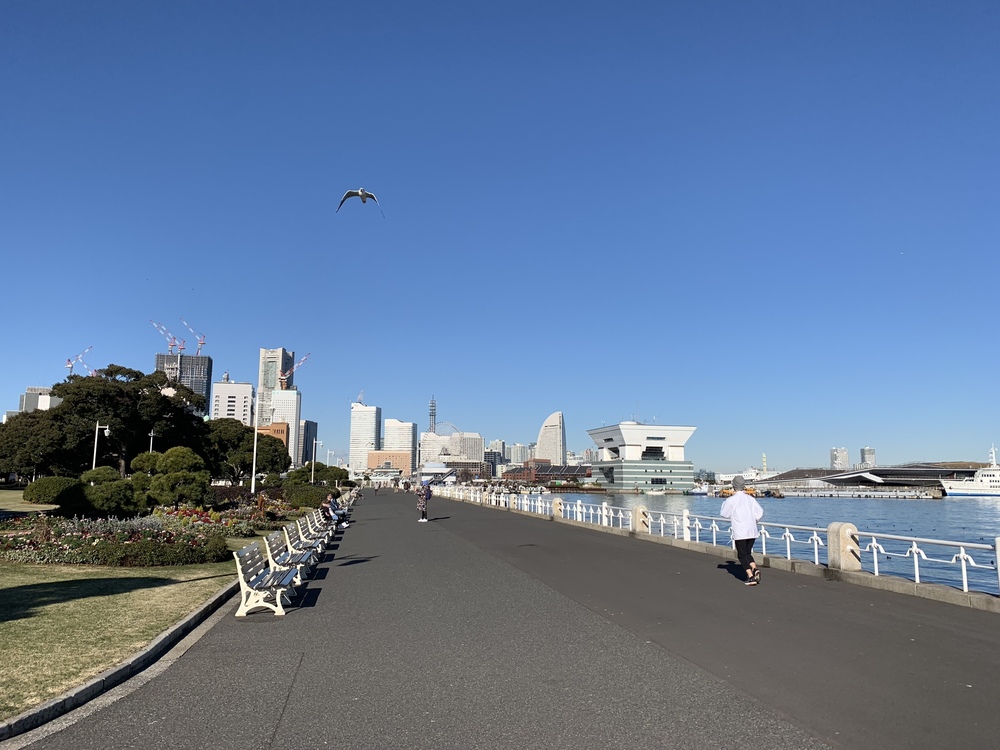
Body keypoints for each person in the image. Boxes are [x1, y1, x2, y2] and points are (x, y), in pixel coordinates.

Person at [719, 476, 764, 586]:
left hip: (740, 531)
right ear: (744, 486)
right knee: (748, 553)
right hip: (752, 530)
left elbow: (724, 514)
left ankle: (751, 576)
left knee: (741, 555)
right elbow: (760, 512)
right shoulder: (750, 499)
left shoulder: (731, 500)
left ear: (733, 486)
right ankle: (755, 569)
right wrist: (754, 520)